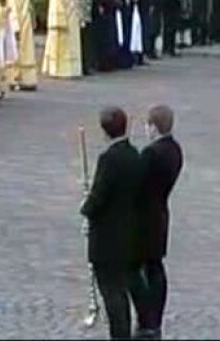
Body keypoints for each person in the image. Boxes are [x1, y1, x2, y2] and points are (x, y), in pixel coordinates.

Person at [81, 107, 146, 341]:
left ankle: (119, 336)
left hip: (107, 238)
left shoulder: (109, 159)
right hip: (129, 233)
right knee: (121, 290)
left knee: (112, 293)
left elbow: (99, 196)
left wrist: (85, 207)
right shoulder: (135, 155)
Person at [137, 105, 183, 340]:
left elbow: (138, 184)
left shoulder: (151, 153)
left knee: (146, 271)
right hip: (161, 213)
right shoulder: (175, 149)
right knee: (155, 268)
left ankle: (148, 321)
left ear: (153, 127)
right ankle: (154, 319)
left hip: (144, 217)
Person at [43, 0, 84, 79]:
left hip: (72, 23)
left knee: (72, 48)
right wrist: (61, 22)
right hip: (62, 24)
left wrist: (80, 17)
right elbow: (56, 7)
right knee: (60, 49)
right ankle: (58, 71)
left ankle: (73, 70)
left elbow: (76, 4)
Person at [5, 0, 38, 91]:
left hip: (26, 26)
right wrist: (15, 28)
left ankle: (27, 79)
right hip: (20, 27)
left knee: (26, 53)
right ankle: (15, 79)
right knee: (18, 53)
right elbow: (13, 10)